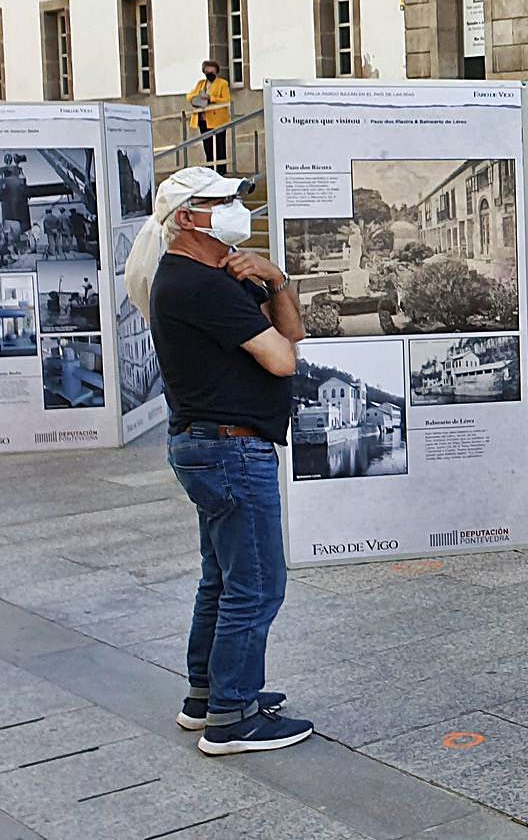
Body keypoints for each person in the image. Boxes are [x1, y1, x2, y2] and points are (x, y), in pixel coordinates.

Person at [146, 167, 310, 755]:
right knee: (257, 584)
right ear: (188, 219)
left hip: (213, 443)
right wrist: (266, 289)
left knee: (221, 576)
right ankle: (233, 716)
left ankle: (207, 695)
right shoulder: (199, 284)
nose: (238, 208)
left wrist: (276, 279)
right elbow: (282, 359)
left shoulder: (216, 273)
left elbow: (293, 333)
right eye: (221, 201)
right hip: (229, 446)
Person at [187, 60, 234, 172]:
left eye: (212, 71)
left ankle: (221, 169)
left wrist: (210, 98)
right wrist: (197, 97)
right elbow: (190, 95)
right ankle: (210, 168)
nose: (209, 73)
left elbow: (226, 100)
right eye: (207, 71)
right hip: (203, 119)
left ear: (216, 71)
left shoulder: (222, 83)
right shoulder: (201, 83)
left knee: (219, 144)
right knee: (207, 145)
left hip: (218, 119)